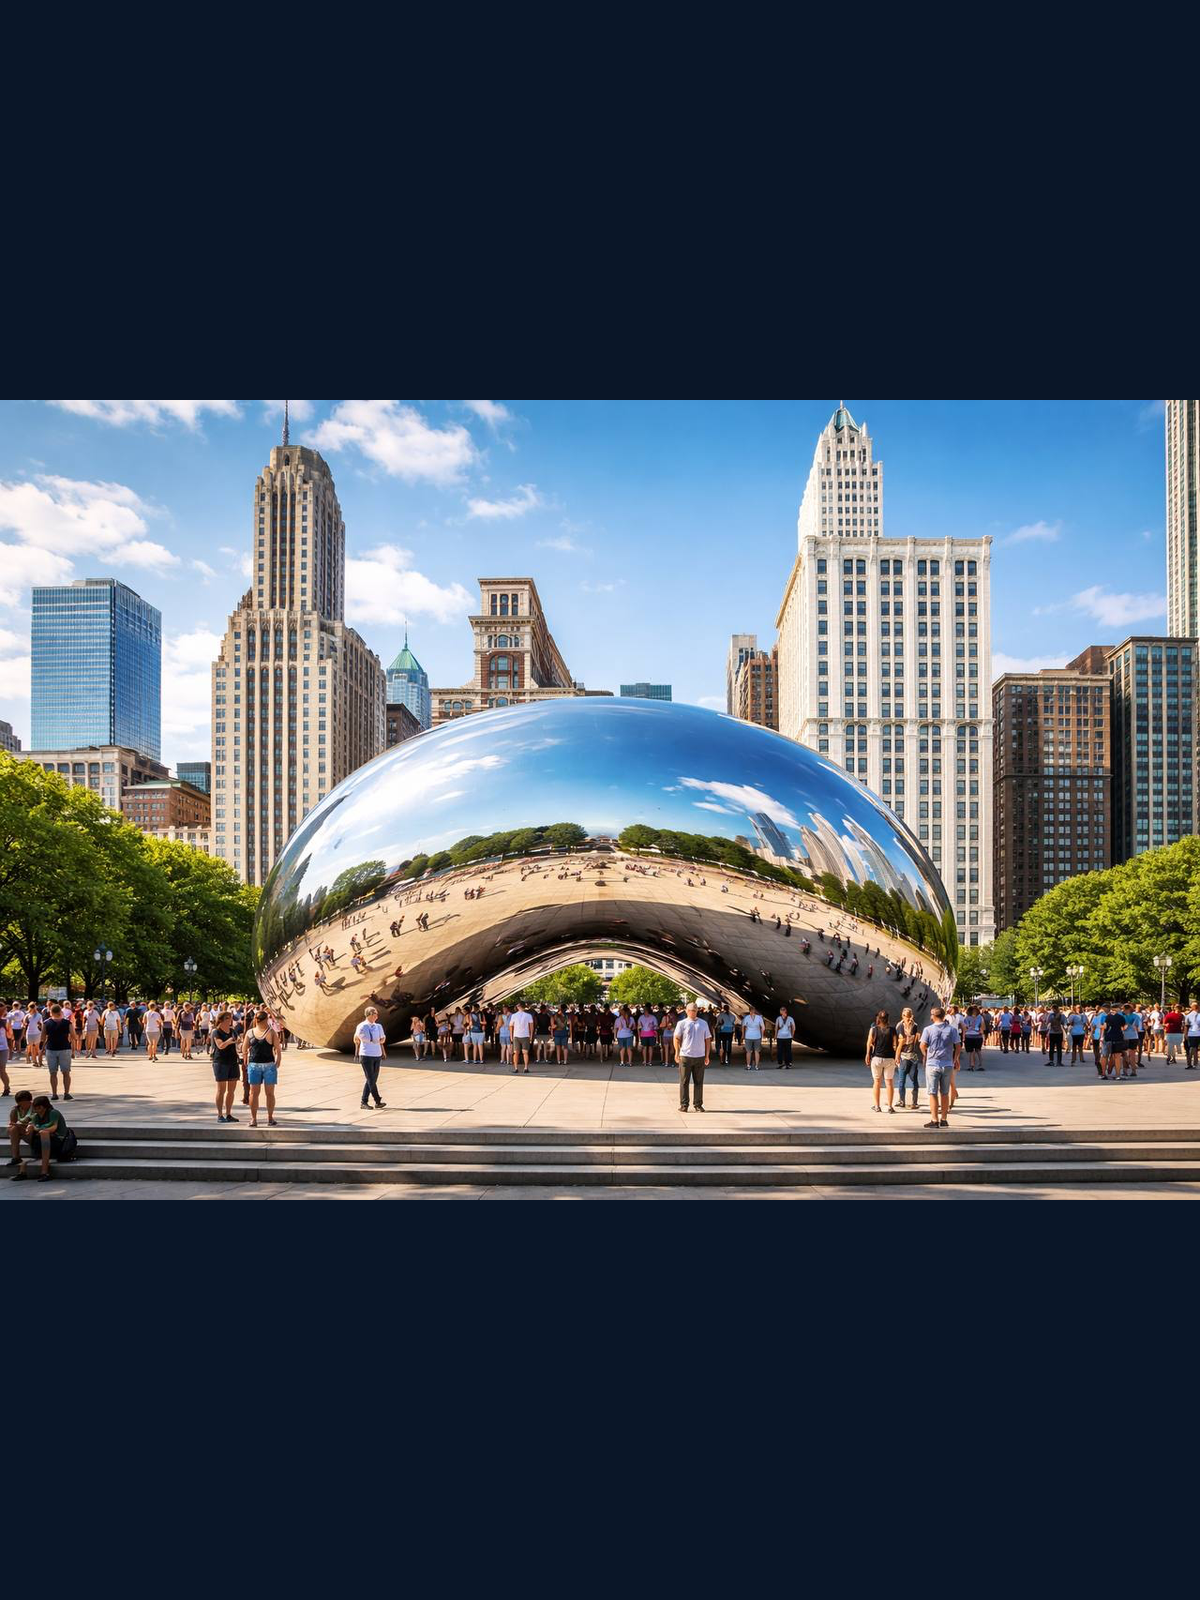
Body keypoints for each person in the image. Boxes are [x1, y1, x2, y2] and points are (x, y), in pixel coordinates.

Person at [10, 1092, 76, 1181]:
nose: (37, 1110)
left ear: (44, 1106)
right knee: (15, 1130)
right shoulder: (36, 1116)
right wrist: (28, 1127)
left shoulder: (53, 1113)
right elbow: (33, 1125)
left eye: (39, 1108)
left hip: (59, 1142)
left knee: (44, 1133)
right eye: (36, 1108)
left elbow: (53, 1127)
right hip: (42, 1141)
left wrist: (38, 1128)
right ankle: (18, 1163)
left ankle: (44, 1172)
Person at [920, 1006, 960, 1128]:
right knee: (944, 1092)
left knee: (932, 1093)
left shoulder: (928, 1029)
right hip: (947, 1064)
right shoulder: (952, 1030)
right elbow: (958, 1046)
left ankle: (934, 1119)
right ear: (943, 1016)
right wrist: (955, 1058)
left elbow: (922, 1045)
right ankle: (944, 1118)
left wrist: (926, 1055)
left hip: (932, 1064)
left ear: (933, 1016)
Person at [243, 1008, 282, 1127]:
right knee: (254, 1093)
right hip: (254, 1065)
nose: (260, 1021)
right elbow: (244, 1048)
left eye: (262, 1019)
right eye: (259, 1019)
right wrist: (245, 1058)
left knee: (269, 1093)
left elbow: (277, 1048)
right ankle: (253, 1119)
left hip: (269, 1065)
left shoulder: (271, 1032)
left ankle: (270, 1118)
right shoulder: (250, 1032)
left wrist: (278, 1059)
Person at [673, 1001, 712, 1112]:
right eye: (690, 1010)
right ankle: (684, 1104)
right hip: (685, 1055)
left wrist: (707, 1054)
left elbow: (707, 1039)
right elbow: (676, 1038)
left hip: (699, 1056)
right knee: (684, 1082)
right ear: (686, 1011)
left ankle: (698, 1104)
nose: (692, 1012)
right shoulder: (682, 1023)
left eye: (694, 1010)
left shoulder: (703, 1023)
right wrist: (677, 1052)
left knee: (698, 1082)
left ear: (697, 1011)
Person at [211, 1010, 242, 1122]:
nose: (230, 1020)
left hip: (233, 1062)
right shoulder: (216, 1032)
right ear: (222, 1020)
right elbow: (220, 1046)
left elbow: (238, 1043)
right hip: (220, 1062)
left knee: (231, 1091)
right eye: (228, 1018)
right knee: (221, 1090)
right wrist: (229, 1041)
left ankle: (228, 1114)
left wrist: (239, 1042)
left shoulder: (233, 1031)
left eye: (231, 1018)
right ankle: (220, 1115)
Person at [354, 1006, 388, 1109]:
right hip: (366, 1055)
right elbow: (367, 1039)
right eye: (375, 1014)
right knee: (370, 1079)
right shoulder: (362, 1026)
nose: (377, 1016)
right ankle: (367, 1101)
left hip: (377, 1054)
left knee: (373, 1079)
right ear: (369, 1015)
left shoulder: (378, 1026)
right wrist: (377, 1039)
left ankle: (376, 1101)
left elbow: (383, 1038)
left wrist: (379, 1040)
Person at [42, 1002, 75, 1101]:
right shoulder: (67, 1022)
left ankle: (54, 1094)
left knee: (53, 1073)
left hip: (51, 1049)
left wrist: (42, 1047)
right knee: (66, 1072)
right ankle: (66, 1093)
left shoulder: (46, 1023)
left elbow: (42, 1037)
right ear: (60, 1012)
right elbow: (74, 1036)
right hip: (65, 1048)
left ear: (51, 1012)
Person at [865, 1010, 897, 1113]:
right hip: (889, 1059)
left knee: (877, 1082)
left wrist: (867, 1055)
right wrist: (897, 1056)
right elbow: (895, 1045)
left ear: (878, 1019)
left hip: (877, 1058)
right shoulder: (893, 1030)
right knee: (889, 1082)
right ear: (888, 1019)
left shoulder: (873, 1030)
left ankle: (877, 1106)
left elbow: (869, 1043)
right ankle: (890, 1107)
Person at [895, 1008, 922, 1110]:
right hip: (903, 1056)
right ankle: (902, 1100)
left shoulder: (914, 1025)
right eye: (907, 1015)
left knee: (914, 1079)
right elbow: (899, 1042)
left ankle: (914, 1102)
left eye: (909, 1015)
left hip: (912, 1056)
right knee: (902, 1080)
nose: (908, 1017)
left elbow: (914, 1039)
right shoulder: (899, 1026)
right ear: (903, 1015)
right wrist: (897, 1056)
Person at [510, 1003, 534, 1073]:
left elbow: (511, 1026)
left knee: (516, 1053)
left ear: (518, 1007)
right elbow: (531, 1027)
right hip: (525, 1036)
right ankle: (525, 1067)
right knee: (525, 1052)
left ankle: (516, 1068)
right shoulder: (528, 1015)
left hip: (516, 1036)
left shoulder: (514, 1015)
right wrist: (531, 1036)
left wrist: (511, 1036)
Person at [961, 1005, 985, 1070]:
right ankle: (980, 1065)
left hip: (969, 1035)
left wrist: (963, 1036)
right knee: (978, 1051)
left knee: (971, 1051)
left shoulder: (966, 1018)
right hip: (977, 1036)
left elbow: (964, 1028)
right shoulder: (980, 1017)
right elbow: (983, 1027)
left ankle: (971, 1065)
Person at [0, 1004, 12, 1097]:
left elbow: (9, 1035)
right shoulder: (6, 1021)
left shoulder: (6, 1021)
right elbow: (9, 1035)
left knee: (2, 1069)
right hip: (3, 1047)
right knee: (2, 1069)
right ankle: (6, 1088)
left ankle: (7, 1088)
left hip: (3, 1048)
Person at [1184, 1003, 1200, 1070]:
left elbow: (1186, 1026)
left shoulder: (1188, 1015)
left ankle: (1190, 1064)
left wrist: (1185, 1035)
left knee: (1191, 1049)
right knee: (1195, 1049)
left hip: (1191, 1034)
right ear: (1197, 1007)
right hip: (1197, 1034)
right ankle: (1194, 1064)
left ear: (1192, 1007)